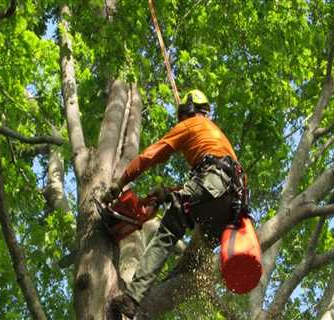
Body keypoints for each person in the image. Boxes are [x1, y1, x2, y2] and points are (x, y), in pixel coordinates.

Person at [103, 89, 247, 319]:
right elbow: (204, 190)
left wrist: (120, 183)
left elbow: (151, 155)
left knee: (167, 232)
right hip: (231, 207)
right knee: (190, 260)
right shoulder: (215, 137)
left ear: (188, 111)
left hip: (213, 183)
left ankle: (131, 299)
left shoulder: (190, 125)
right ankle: (154, 303)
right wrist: (166, 194)